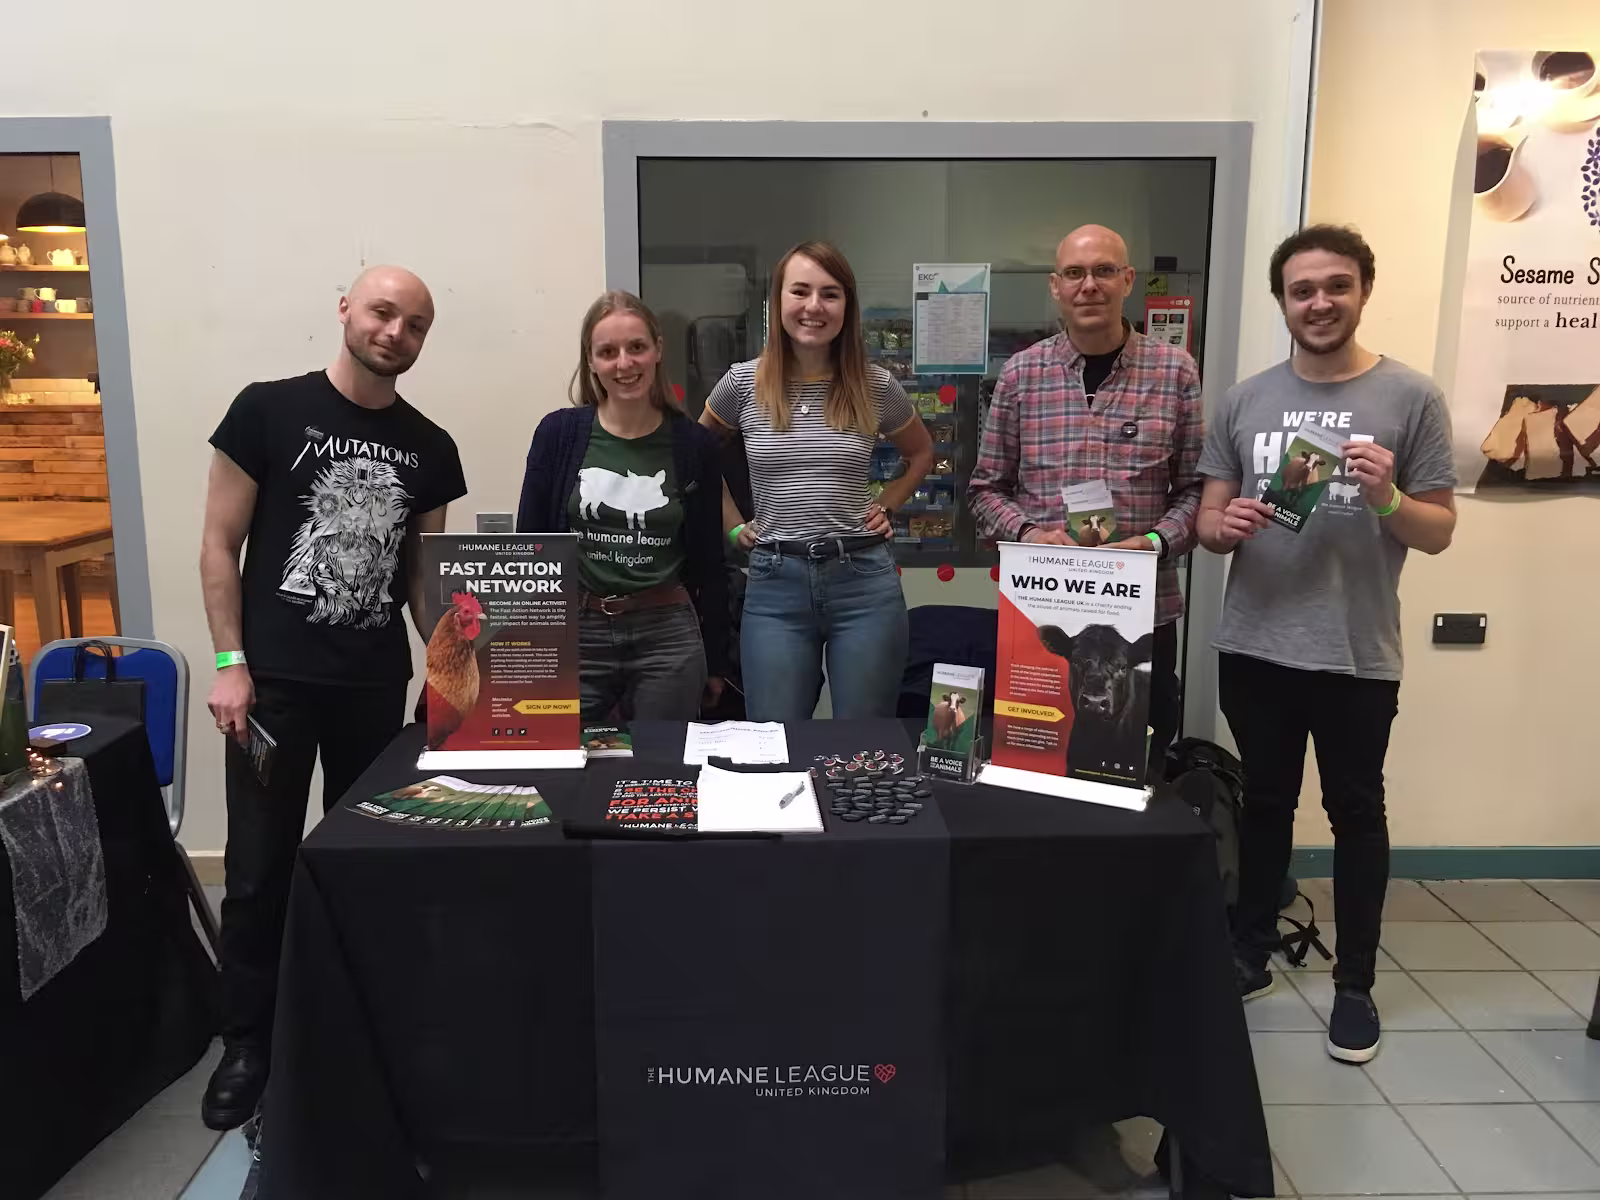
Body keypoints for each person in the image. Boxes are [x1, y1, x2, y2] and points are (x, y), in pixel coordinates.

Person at [198, 265, 466, 1129]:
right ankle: (247, 1044)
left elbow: (425, 580)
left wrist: (463, 682)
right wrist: (230, 660)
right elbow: (218, 542)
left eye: (416, 324)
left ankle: (360, 1029)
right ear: (346, 308)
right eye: (384, 312)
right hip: (272, 686)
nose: (397, 332)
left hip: (370, 688)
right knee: (257, 872)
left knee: (365, 865)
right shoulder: (266, 410)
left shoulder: (432, 447)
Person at [1197, 224, 1456, 1064]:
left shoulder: (1411, 398)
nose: (1319, 302)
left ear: (1362, 291)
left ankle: (1356, 985)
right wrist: (1222, 527)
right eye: (1302, 289)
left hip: (1354, 652)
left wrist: (1386, 498)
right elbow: (1208, 518)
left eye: (1335, 286)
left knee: (1356, 814)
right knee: (1265, 804)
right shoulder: (1243, 400)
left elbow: (1440, 531)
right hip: (1256, 645)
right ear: (1282, 301)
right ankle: (1249, 951)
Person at [968, 224, 1203, 769]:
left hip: (1141, 619)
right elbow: (984, 490)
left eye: (1103, 271)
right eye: (1075, 273)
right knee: (1044, 766)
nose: (1088, 285)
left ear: (1127, 280)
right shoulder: (1023, 375)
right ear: (1056, 286)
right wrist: (1029, 533)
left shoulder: (1174, 372)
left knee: (1139, 770)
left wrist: (1152, 541)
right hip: (1047, 622)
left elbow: (1196, 492)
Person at [700, 240, 933, 721]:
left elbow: (921, 453)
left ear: (846, 306)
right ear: (777, 302)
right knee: (775, 745)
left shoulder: (876, 385)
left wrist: (886, 504)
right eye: (800, 291)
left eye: (829, 294)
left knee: (861, 747)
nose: (813, 307)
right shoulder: (743, 383)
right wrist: (731, 524)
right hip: (774, 583)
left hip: (863, 583)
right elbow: (695, 458)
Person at [515, 290, 727, 719]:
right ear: (590, 361)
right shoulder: (558, 435)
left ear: (657, 350)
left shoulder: (694, 444)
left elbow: (710, 561)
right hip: (576, 629)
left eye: (636, 348)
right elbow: (529, 548)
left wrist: (718, 661)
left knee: (659, 770)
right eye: (607, 352)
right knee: (561, 769)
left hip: (666, 633)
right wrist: (523, 652)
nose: (624, 364)